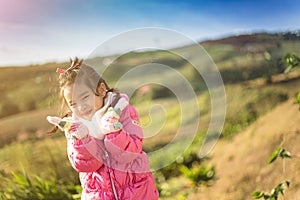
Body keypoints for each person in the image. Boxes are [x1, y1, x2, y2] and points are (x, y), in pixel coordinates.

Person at [47, 58, 159, 200]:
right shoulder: (74, 127)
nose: (81, 107)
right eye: (73, 104)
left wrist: (114, 132)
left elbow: (130, 153)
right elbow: (85, 166)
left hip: (137, 192)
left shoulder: (122, 110)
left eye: (85, 97)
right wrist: (83, 140)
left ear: (100, 90)